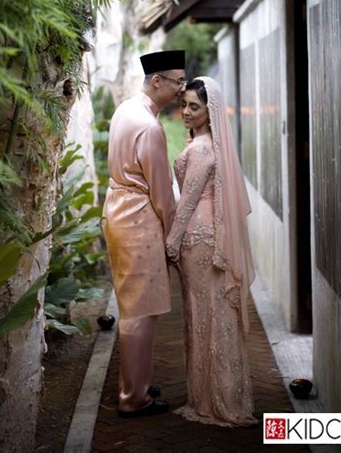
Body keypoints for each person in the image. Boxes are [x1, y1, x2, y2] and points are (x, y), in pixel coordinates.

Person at [165, 76, 258, 427]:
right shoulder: (208, 144)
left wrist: (172, 241)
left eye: (194, 107)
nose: (186, 112)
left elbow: (187, 203)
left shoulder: (203, 149)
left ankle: (214, 401)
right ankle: (214, 396)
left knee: (205, 315)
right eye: (184, 104)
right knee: (208, 313)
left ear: (210, 110)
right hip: (205, 236)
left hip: (197, 239)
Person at [102, 50, 186, 418]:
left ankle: (136, 381)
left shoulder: (125, 109)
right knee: (141, 311)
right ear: (157, 81)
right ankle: (134, 398)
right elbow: (162, 194)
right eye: (177, 82)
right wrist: (175, 237)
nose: (182, 90)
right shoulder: (151, 127)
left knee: (134, 305)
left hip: (118, 211)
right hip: (138, 219)